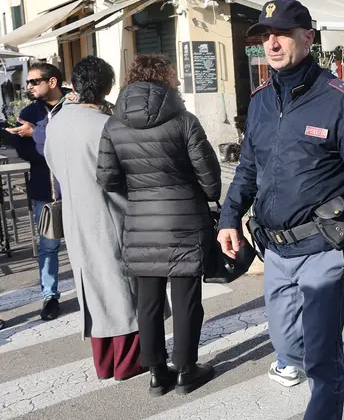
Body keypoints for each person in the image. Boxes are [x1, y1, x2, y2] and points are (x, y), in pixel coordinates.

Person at [217, 0, 344, 420]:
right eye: (264, 36)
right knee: (289, 348)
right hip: (275, 250)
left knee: (320, 359)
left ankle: (336, 390)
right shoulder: (260, 101)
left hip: (323, 249)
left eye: (281, 34)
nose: (271, 43)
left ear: (308, 38)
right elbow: (248, 168)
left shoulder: (340, 101)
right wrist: (228, 218)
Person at [97, 54, 222, 396]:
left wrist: (140, 191)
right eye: (174, 75)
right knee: (186, 300)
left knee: (147, 301)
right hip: (184, 220)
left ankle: (155, 372)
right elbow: (211, 182)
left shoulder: (113, 124)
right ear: (165, 78)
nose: (178, 80)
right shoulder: (184, 120)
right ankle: (186, 370)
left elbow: (106, 179)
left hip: (140, 221)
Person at [44, 56, 143, 381]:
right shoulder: (107, 126)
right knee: (122, 290)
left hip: (76, 215)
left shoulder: (56, 123)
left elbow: (53, 164)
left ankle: (104, 363)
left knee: (94, 289)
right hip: (111, 214)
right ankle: (127, 363)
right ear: (106, 88)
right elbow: (129, 173)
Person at [5, 63, 68, 321]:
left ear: (52, 82)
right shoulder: (29, 112)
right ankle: (50, 296)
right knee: (48, 246)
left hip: (75, 189)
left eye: (34, 82)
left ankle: (91, 291)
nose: (28, 86)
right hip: (44, 189)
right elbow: (25, 151)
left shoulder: (73, 105)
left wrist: (38, 135)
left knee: (81, 244)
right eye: (28, 82)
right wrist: (45, 144)